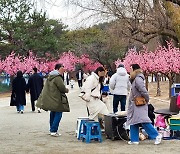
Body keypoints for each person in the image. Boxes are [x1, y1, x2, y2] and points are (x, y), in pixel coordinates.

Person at [127, 64, 162, 145]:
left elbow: (143, 91)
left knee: (143, 121)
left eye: (130, 69)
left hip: (139, 103)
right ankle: (134, 139)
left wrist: (146, 99)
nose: (129, 71)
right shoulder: (135, 78)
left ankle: (156, 135)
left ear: (134, 69)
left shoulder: (138, 79)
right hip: (135, 104)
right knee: (133, 121)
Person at [36, 64, 69, 137]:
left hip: (51, 97)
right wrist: (66, 90)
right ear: (58, 69)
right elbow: (62, 88)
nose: (63, 69)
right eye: (62, 68)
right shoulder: (57, 77)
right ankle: (54, 130)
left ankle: (52, 129)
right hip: (57, 98)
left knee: (53, 113)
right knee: (58, 113)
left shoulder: (50, 76)